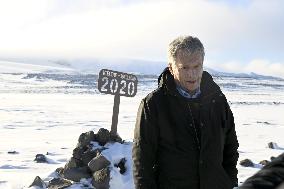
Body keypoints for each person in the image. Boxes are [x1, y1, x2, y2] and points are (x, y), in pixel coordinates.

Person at [132, 35, 239, 189]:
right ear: (171, 68)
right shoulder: (154, 104)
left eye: (197, 66)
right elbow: (142, 161)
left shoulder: (218, 100)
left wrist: (229, 182)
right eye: (185, 68)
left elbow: (231, 147)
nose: (192, 74)